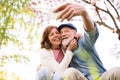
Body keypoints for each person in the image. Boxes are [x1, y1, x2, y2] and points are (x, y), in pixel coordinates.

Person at [53, 3, 120, 80]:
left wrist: (84, 14)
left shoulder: (82, 42)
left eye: (66, 31)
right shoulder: (62, 52)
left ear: (75, 33)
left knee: (117, 71)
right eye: (61, 33)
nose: (63, 34)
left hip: (100, 78)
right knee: (69, 72)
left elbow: (91, 32)